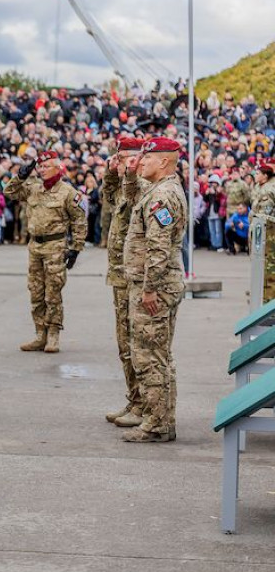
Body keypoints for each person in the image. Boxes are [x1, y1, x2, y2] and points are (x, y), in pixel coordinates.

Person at [122, 137, 187, 443]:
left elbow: (158, 248)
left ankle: (156, 423)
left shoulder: (163, 196)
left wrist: (149, 289)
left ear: (163, 162)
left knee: (148, 357)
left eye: (147, 158)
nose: (141, 162)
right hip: (160, 285)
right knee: (159, 355)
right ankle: (162, 419)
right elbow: (130, 194)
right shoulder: (162, 190)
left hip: (155, 289)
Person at [4, 150, 87, 353]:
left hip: (55, 247)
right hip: (35, 247)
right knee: (36, 291)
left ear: (58, 168)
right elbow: (9, 192)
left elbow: (79, 221)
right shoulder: (33, 188)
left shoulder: (68, 192)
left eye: (46, 166)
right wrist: (21, 176)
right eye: (39, 166)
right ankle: (39, 334)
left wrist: (76, 249)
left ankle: (53, 334)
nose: (41, 170)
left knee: (53, 293)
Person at [102, 137, 149, 427]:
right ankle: (134, 400)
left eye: (121, 159)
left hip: (135, 278)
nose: (117, 163)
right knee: (124, 344)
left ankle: (144, 405)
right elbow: (108, 200)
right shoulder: (123, 188)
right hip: (120, 275)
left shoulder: (142, 189)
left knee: (137, 344)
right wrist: (110, 174)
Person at [252, 163, 275, 302]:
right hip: (262, 232)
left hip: (268, 233)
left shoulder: (268, 190)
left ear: (265, 176)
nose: (256, 175)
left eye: (258, 173)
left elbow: (264, 214)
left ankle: (269, 299)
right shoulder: (260, 187)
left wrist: (255, 219)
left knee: (269, 266)